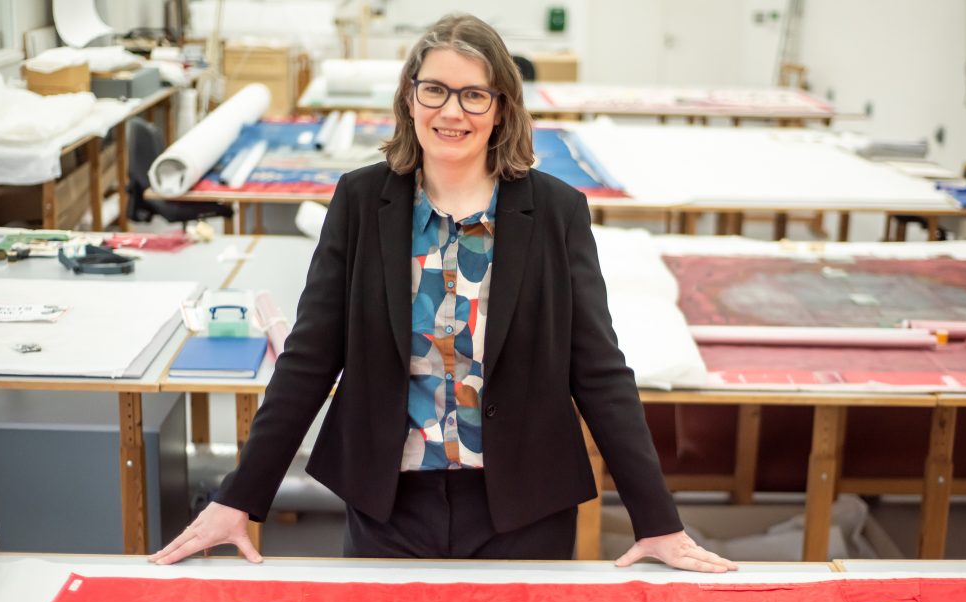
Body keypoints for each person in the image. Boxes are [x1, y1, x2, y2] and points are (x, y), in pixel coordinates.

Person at [150, 14, 736, 573]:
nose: (451, 111)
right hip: (389, 508)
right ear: (410, 98)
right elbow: (308, 359)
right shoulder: (360, 203)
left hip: (525, 511)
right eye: (434, 90)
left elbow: (600, 371)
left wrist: (656, 520)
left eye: (474, 95)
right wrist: (239, 498)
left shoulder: (557, 212)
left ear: (501, 108)